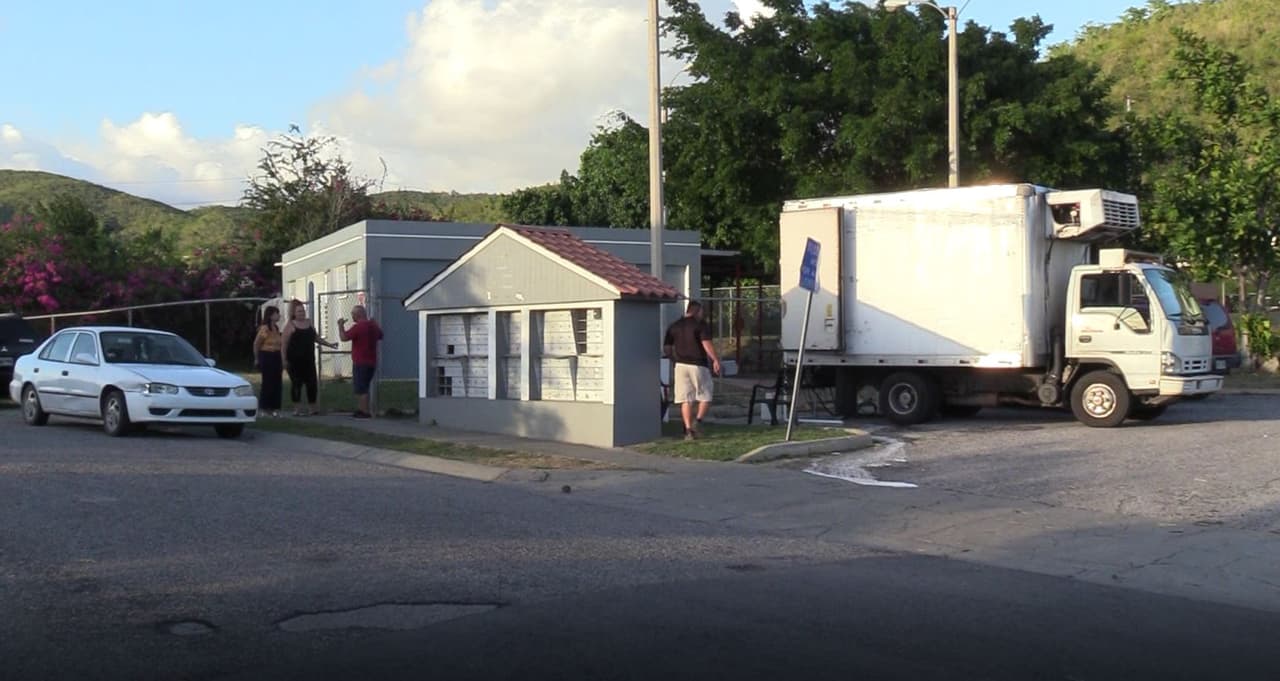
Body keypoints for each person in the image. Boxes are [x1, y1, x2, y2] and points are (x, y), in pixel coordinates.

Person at [663, 301, 722, 440]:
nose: (702, 314)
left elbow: (667, 348)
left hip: (681, 365)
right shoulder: (700, 325)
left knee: (685, 399)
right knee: (706, 394)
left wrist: (673, 359)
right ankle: (698, 421)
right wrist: (715, 359)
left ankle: (688, 430)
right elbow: (706, 343)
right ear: (697, 311)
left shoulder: (674, 326)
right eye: (701, 311)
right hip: (698, 364)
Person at [280, 299, 337, 416]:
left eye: (303, 311)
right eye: (299, 311)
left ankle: (313, 409)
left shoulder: (309, 322)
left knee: (312, 384)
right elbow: (284, 344)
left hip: (309, 360)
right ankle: (297, 409)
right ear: (294, 313)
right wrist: (284, 360)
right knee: (296, 384)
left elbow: (316, 338)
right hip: (294, 361)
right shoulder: (290, 325)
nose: (302, 313)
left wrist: (329, 344)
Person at [338, 304, 383, 419]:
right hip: (371, 362)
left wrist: (340, 326)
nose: (352, 316)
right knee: (364, 386)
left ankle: (365, 412)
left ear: (358, 315)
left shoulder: (358, 327)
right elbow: (380, 335)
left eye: (353, 314)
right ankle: (361, 409)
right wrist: (375, 323)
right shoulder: (372, 326)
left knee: (361, 388)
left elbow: (344, 337)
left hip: (360, 362)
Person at [252, 305, 284, 417]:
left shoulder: (276, 328)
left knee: (277, 383)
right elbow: (257, 344)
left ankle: (274, 408)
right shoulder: (264, 328)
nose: (279, 315)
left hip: (276, 356)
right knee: (268, 383)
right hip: (267, 356)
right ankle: (264, 408)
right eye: (276, 313)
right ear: (270, 315)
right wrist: (257, 358)